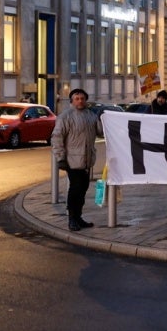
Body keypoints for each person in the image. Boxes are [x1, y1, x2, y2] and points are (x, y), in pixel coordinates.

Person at [52, 88, 103, 231]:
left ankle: (78, 217)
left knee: (83, 187)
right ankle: (72, 218)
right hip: (71, 160)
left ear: (86, 100)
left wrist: (101, 119)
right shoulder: (65, 117)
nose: (80, 101)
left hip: (86, 160)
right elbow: (57, 137)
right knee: (75, 188)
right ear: (72, 101)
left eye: (82, 98)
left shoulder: (90, 115)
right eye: (77, 98)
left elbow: (100, 133)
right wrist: (60, 157)